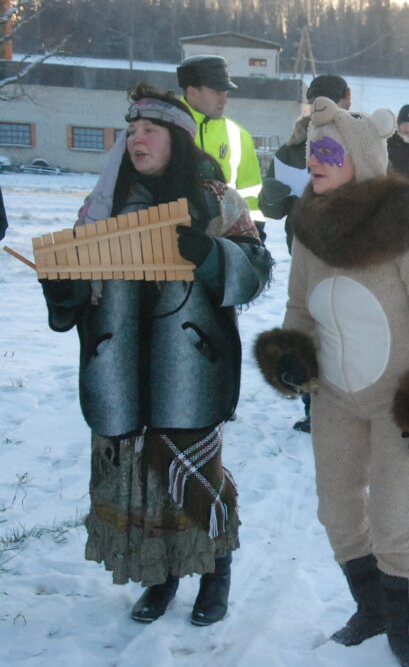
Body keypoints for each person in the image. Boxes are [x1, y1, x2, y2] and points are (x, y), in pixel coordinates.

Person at [38, 84, 272, 626]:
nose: (137, 139)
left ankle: (216, 573)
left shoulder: (215, 197)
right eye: (132, 131)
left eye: (150, 131)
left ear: (178, 140)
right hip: (119, 363)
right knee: (145, 482)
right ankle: (161, 576)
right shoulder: (101, 206)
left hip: (188, 364)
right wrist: (61, 284)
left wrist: (213, 256)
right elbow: (76, 294)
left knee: (194, 477)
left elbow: (257, 268)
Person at [254, 97, 409, 667]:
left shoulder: (405, 227)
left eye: (328, 151)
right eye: (310, 150)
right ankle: (372, 610)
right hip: (336, 397)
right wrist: (292, 357)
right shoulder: (309, 223)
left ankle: (407, 629)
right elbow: (300, 305)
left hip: (400, 402)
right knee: (338, 512)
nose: (314, 162)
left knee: (396, 519)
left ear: (361, 158)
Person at [259, 73, 352, 433]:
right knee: (310, 328)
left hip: (351, 253)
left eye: (331, 100)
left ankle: (346, 407)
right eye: (317, 102)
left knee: (345, 332)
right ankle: (315, 408)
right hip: (304, 251)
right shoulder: (290, 150)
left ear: (346, 101)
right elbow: (270, 209)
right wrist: (273, 195)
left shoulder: (362, 143)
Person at [177, 55, 266, 241]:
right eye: (217, 92)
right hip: (170, 244)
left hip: (225, 248)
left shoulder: (239, 135)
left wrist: (254, 240)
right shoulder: (163, 130)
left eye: (226, 92)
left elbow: (251, 196)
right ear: (192, 92)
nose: (224, 100)